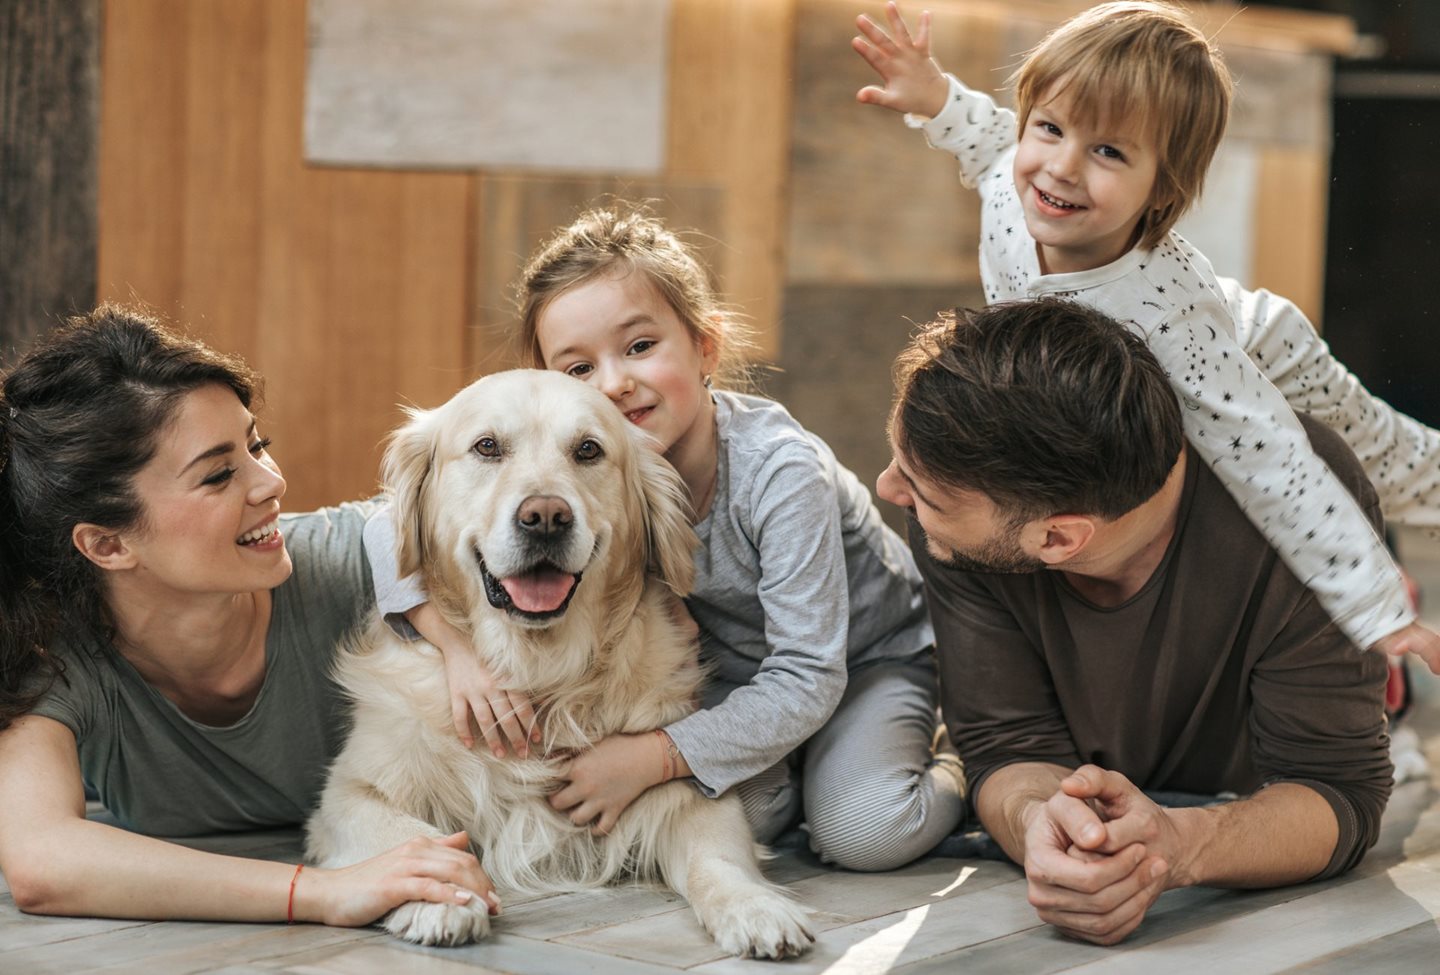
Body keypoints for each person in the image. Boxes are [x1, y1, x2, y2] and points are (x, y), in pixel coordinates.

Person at [367, 204, 967, 870]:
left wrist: (654, 756)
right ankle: (804, 764)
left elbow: (807, 675)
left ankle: (957, 764)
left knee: (864, 830)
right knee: (755, 813)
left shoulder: (782, 472)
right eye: (577, 370)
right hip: (729, 677)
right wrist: (456, 649)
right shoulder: (585, 472)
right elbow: (380, 517)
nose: (615, 383)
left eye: (639, 346)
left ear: (706, 346)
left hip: (856, 665)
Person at [853, 1, 1440, 672]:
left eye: (1106, 150)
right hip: (1189, 358)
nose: (1060, 167)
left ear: (1163, 188)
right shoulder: (1017, 190)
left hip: (1263, 356)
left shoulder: (1165, 319)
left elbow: (1278, 463)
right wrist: (932, 96)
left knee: (1398, 467)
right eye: (1048, 127)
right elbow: (990, 141)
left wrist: (1379, 611)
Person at [876, 298, 1393, 945]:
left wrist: (1179, 844)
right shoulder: (956, 509)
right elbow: (1008, 747)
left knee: (1374, 703)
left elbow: (1338, 790)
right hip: (1105, 753)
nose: (887, 487)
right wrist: (1041, 820)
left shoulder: (1307, 494)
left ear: (1059, 539)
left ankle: (1378, 671)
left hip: (1255, 766)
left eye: (921, 493)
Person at [0, 306, 496, 925]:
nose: (271, 484)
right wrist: (322, 893)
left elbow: (452, 515)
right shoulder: (54, 657)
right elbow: (43, 861)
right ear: (108, 545)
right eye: (218, 475)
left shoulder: (365, 567)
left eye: (257, 445)